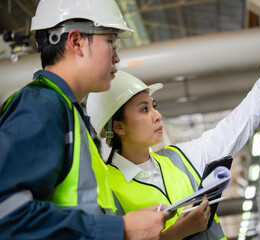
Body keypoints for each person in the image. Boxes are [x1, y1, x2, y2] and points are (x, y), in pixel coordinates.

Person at [0, 0, 172, 239]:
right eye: (111, 42)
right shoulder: (41, 107)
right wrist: (120, 228)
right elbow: (8, 216)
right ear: (76, 42)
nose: (117, 58)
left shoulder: (69, 114)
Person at [85, 42, 260, 240]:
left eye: (154, 106)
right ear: (119, 127)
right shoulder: (105, 187)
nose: (157, 115)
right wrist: (178, 232)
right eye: (144, 109)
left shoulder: (179, 158)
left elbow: (233, 129)